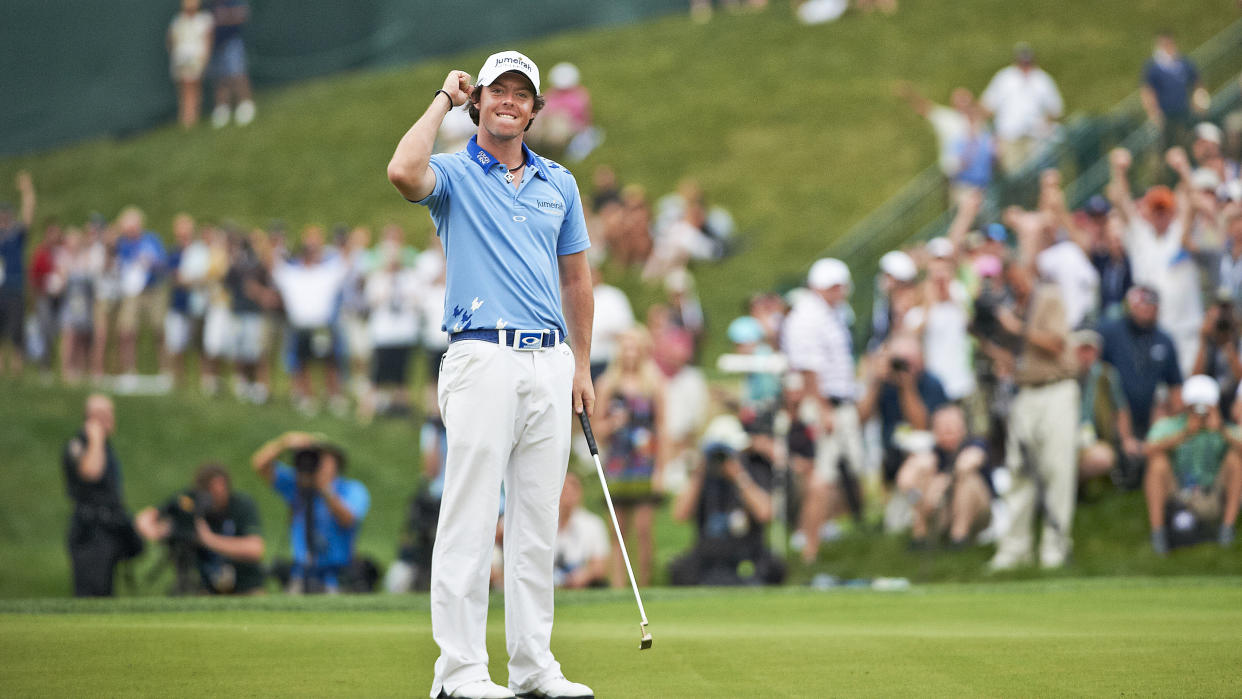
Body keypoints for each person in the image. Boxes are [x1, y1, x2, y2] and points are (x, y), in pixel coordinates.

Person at [386, 50, 595, 699]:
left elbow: (576, 277)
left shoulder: (558, 181)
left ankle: (533, 665)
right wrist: (442, 100)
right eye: (496, 90)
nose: (509, 100)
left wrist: (582, 364)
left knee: (537, 522)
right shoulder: (451, 173)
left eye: (520, 93)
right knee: (471, 516)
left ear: (534, 110)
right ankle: (459, 671)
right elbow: (401, 170)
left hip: (549, 359)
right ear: (480, 101)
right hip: (482, 355)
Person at [988, 262, 1079, 570]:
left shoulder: (1050, 298)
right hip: (1024, 391)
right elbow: (1017, 356)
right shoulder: (1012, 306)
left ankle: (1055, 548)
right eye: (1010, 279)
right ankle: (1015, 549)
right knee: (1018, 469)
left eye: (1018, 278)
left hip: (1056, 388)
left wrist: (1019, 329)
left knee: (1056, 467)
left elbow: (1056, 343)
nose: (1016, 285)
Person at [779, 258, 865, 564]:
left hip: (836, 402)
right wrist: (823, 408)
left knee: (834, 475)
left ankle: (817, 535)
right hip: (824, 405)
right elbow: (809, 369)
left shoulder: (832, 314)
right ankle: (809, 546)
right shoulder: (807, 317)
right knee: (821, 477)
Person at [669, 414, 785, 586]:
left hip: (746, 555)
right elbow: (679, 515)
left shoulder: (752, 472)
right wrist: (699, 473)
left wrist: (739, 477)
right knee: (679, 568)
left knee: (774, 567)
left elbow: (766, 513)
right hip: (709, 558)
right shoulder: (702, 479)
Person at [593, 326, 667, 589]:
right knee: (618, 529)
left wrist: (660, 469)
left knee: (645, 529)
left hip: (644, 462)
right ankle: (619, 584)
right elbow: (596, 430)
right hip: (617, 462)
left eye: (635, 347)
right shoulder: (607, 385)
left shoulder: (654, 384)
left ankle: (644, 584)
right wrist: (613, 424)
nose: (630, 353)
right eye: (626, 347)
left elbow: (662, 429)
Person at [250, 431, 369, 594]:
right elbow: (260, 465)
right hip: (301, 574)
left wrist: (325, 490)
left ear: (336, 462)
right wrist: (284, 443)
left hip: (337, 575)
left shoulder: (352, 489)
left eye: (324, 459)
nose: (318, 464)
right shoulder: (298, 486)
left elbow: (347, 519)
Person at [1144, 375, 1242, 555]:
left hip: (1212, 493)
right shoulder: (1172, 425)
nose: (1200, 411)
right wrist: (1185, 433)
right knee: (1157, 463)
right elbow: (1148, 450)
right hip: (1179, 493)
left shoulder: (1223, 428)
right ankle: (1158, 534)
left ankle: (1227, 530)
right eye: (1195, 406)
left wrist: (1221, 429)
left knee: (1235, 460)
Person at [134, 463, 265, 594]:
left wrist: (208, 539)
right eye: (211, 490)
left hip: (245, 584)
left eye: (221, 488)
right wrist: (158, 531)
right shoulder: (188, 502)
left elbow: (255, 549)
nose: (217, 494)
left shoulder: (241, 504)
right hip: (204, 586)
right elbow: (145, 518)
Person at [62, 394, 144, 597]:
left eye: (109, 414)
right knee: (91, 593)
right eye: (99, 415)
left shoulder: (106, 448)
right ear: (87, 418)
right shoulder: (80, 445)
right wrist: (96, 438)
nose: (106, 419)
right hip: (90, 532)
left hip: (109, 529)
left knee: (105, 592)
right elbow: (91, 472)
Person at [269, 226, 349, 415]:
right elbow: (274, 266)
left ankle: (334, 396)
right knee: (301, 364)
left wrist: (343, 242)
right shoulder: (292, 274)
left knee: (330, 363)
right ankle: (306, 397)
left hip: (322, 326)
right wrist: (275, 245)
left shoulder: (326, 272)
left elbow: (345, 263)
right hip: (301, 327)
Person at [895, 405, 993, 547]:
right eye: (942, 426)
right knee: (922, 467)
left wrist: (943, 482)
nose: (948, 430)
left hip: (979, 512)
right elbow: (905, 480)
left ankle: (959, 537)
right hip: (942, 510)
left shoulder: (976, 444)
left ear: (963, 427)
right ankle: (920, 535)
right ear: (934, 430)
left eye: (952, 425)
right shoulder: (932, 452)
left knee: (967, 478)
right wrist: (918, 496)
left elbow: (969, 462)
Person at [1098, 286, 1184, 445]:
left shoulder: (1164, 339)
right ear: (1131, 305)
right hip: (1114, 413)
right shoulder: (1109, 332)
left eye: (1151, 304)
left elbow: (1175, 386)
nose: (1147, 309)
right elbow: (1095, 372)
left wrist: (1172, 423)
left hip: (1150, 415)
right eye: (1142, 304)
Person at [980, 42, 1064, 174]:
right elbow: (987, 106)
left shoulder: (1042, 79)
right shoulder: (1004, 78)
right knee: (1013, 174)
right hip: (1009, 136)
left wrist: (1044, 124)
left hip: (1035, 137)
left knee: (1033, 174)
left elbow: (1055, 109)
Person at [1071, 329, 1142, 484]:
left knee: (1102, 458)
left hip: (1094, 439)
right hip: (1067, 438)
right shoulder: (1064, 376)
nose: (1086, 356)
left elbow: (1121, 409)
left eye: (1090, 350)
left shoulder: (1106, 374)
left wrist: (1126, 439)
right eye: (1082, 349)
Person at [1142, 30, 1208, 152]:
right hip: (1165, 115)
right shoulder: (1153, 67)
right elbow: (1148, 91)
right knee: (1166, 147)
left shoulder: (1184, 63)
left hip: (1184, 112)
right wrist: (1153, 113)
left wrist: (1200, 102)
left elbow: (1197, 82)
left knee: (1187, 143)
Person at [0, 171, 35, 376]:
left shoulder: (15, 236)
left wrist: (27, 191)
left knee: (16, 330)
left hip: (13, 287)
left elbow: (28, 214)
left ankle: (17, 368)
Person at [553, 471, 609, 589]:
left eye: (571, 491)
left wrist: (584, 575)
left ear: (579, 494)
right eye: (563, 491)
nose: (567, 496)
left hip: (583, 584)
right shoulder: (544, 523)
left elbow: (600, 567)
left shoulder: (594, 523)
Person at [207, 0, 254, 127]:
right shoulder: (208, 5)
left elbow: (243, 15)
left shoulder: (233, 2)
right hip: (213, 45)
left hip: (231, 41)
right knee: (219, 78)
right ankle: (222, 109)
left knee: (237, 73)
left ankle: (245, 104)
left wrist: (222, 19)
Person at [167, 0, 214, 129]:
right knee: (184, 87)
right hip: (180, 58)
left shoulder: (204, 20)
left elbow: (208, 40)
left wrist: (205, 57)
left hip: (196, 57)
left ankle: (192, 116)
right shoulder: (178, 20)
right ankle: (186, 115)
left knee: (193, 85)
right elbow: (171, 39)